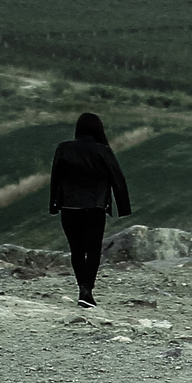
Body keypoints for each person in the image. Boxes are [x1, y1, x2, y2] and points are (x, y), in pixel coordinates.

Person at [47, 112, 131, 309]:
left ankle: (82, 290)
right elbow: (118, 179)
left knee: (76, 250)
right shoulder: (103, 151)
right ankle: (87, 290)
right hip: (95, 207)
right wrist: (123, 207)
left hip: (69, 206)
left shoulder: (63, 149)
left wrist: (53, 205)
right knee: (93, 250)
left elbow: (55, 178)